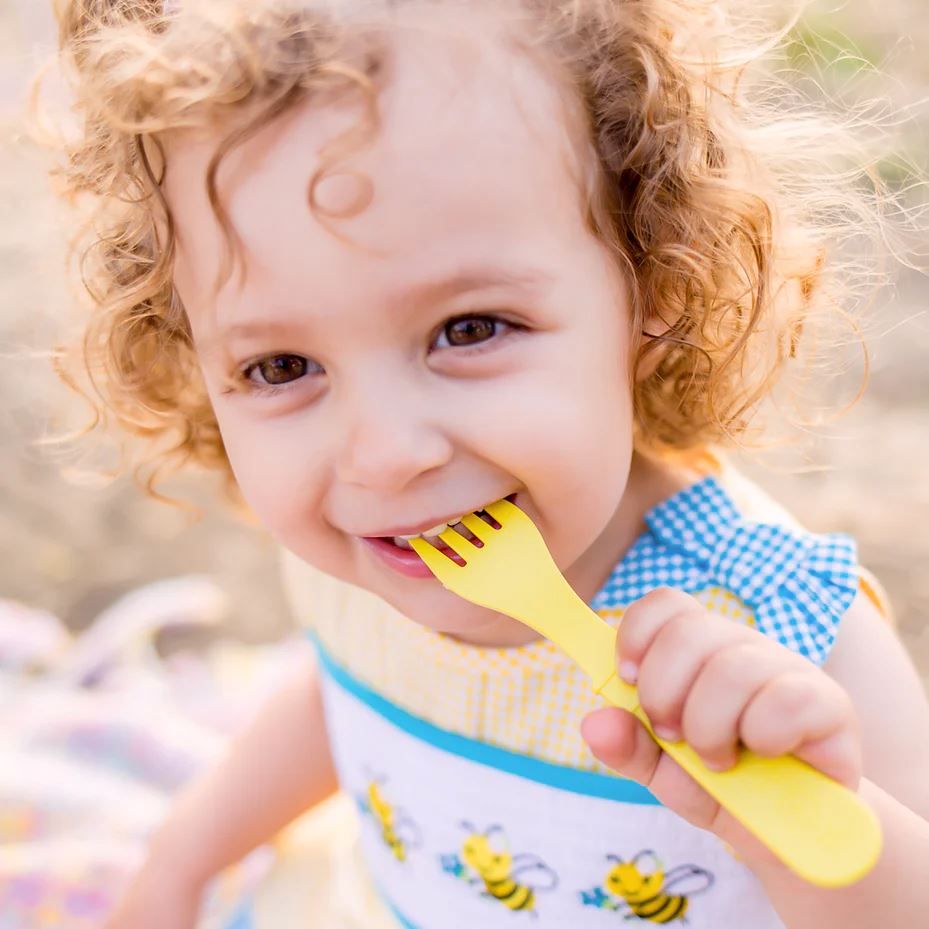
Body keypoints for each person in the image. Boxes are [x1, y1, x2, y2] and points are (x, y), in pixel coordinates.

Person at [46, 1, 929, 927]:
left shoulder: (786, 632)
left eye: (468, 330)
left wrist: (811, 809)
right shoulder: (368, 556)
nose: (385, 457)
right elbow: (345, 694)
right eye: (280, 367)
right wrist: (180, 864)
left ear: (653, 292)